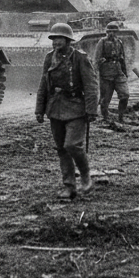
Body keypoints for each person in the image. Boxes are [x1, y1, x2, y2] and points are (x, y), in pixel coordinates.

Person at [35, 22, 99, 200]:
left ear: (68, 40)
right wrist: (39, 109)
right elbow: (44, 84)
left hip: (76, 107)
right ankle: (69, 186)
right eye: (54, 38)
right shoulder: (50, 58)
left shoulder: (79, 58)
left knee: (72, 145)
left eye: (60, 38)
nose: (56, 42)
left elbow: (91, 85)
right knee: (61, 149)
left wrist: (91, 110)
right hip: (55, 107)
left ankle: (85, 177)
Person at [95, 21, 130, 124]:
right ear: (107, 32)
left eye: (114, 32)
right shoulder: (102, 42)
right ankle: (105, 117)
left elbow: (122, 58)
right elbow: (97, 58)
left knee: (125, 95)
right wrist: (95, 72)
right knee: (105, 99)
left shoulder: (119, 42)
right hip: (106, 74)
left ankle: (121, 117)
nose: (112, 33)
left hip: (118, 73)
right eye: (110, 31)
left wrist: (125, 72)